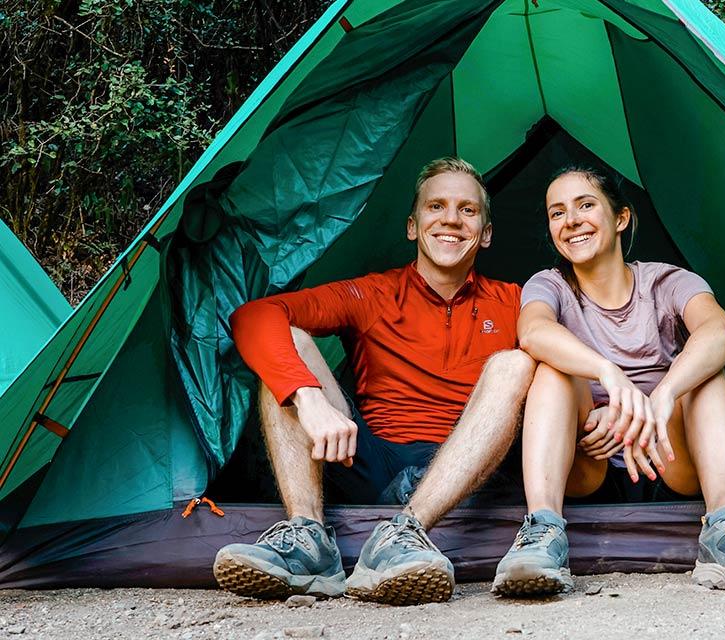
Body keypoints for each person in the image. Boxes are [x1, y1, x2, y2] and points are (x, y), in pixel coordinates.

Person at [214, 158, 534, 606]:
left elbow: (571, 349)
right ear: (411, 226)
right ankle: (308, 540)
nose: (450, 219)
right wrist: (308, 400)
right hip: (370, 459)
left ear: (485, 233)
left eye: (467, 210)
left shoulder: (516, 300)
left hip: (467, 470)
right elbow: (253, 316)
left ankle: (407, 533)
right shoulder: (372, 293)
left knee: (516, 364)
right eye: (436, 206)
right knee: (286, 350)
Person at [491, 166, 725, 596]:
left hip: (667, 454)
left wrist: (662, 397)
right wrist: (608, 375)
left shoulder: (666, 281)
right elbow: (533, 332)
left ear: (621, 218)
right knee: (550, 371)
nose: (571, 221)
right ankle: (543, 533)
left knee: (704, 373)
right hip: (589, 462)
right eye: (557, 213)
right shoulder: (549, 285)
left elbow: (721, 332)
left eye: (585, 205)